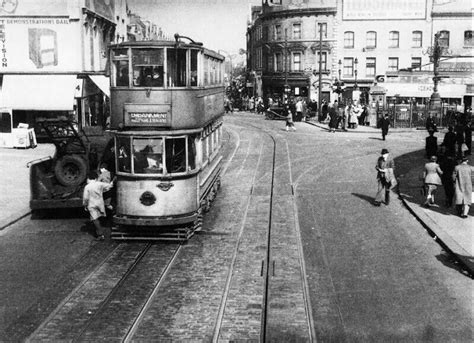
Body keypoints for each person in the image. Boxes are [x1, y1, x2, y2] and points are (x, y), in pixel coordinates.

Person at [83, 171, 114, 240]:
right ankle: (105, 228)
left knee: (94, 219)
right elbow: (109, 186)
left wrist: (85, 205)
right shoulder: (99, 184)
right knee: (100, 216)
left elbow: (85, 198)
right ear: (96, 178)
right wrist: (113, 181)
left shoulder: (87, 187)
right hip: (100, 203)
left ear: (88, 178)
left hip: (91, 205)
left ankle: (100, 234)